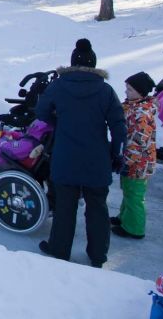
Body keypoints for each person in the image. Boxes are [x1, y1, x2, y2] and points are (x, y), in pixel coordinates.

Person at [36, 38, 126, 269]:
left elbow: (42, 111)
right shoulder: (105, 90)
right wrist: (117, 153)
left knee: (66, 205)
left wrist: (58, 120)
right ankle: (98, 255)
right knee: (97, 207)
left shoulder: (58, 86)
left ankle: (59, 249)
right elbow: (118, 124)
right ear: (93, 64)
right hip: (97, 158)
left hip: (66, 156)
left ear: (72, 62)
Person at [112, 71, 158, 240]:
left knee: (134, 196)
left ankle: (134, 229)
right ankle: (124, 218)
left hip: (139, 163)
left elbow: (138, 143)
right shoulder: (134, 105)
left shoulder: (141, 114)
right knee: (128, 191)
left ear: (141, 92)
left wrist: (128, 161)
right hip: (135, 161)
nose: (126, 92)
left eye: (130, 90)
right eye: (126, 88)